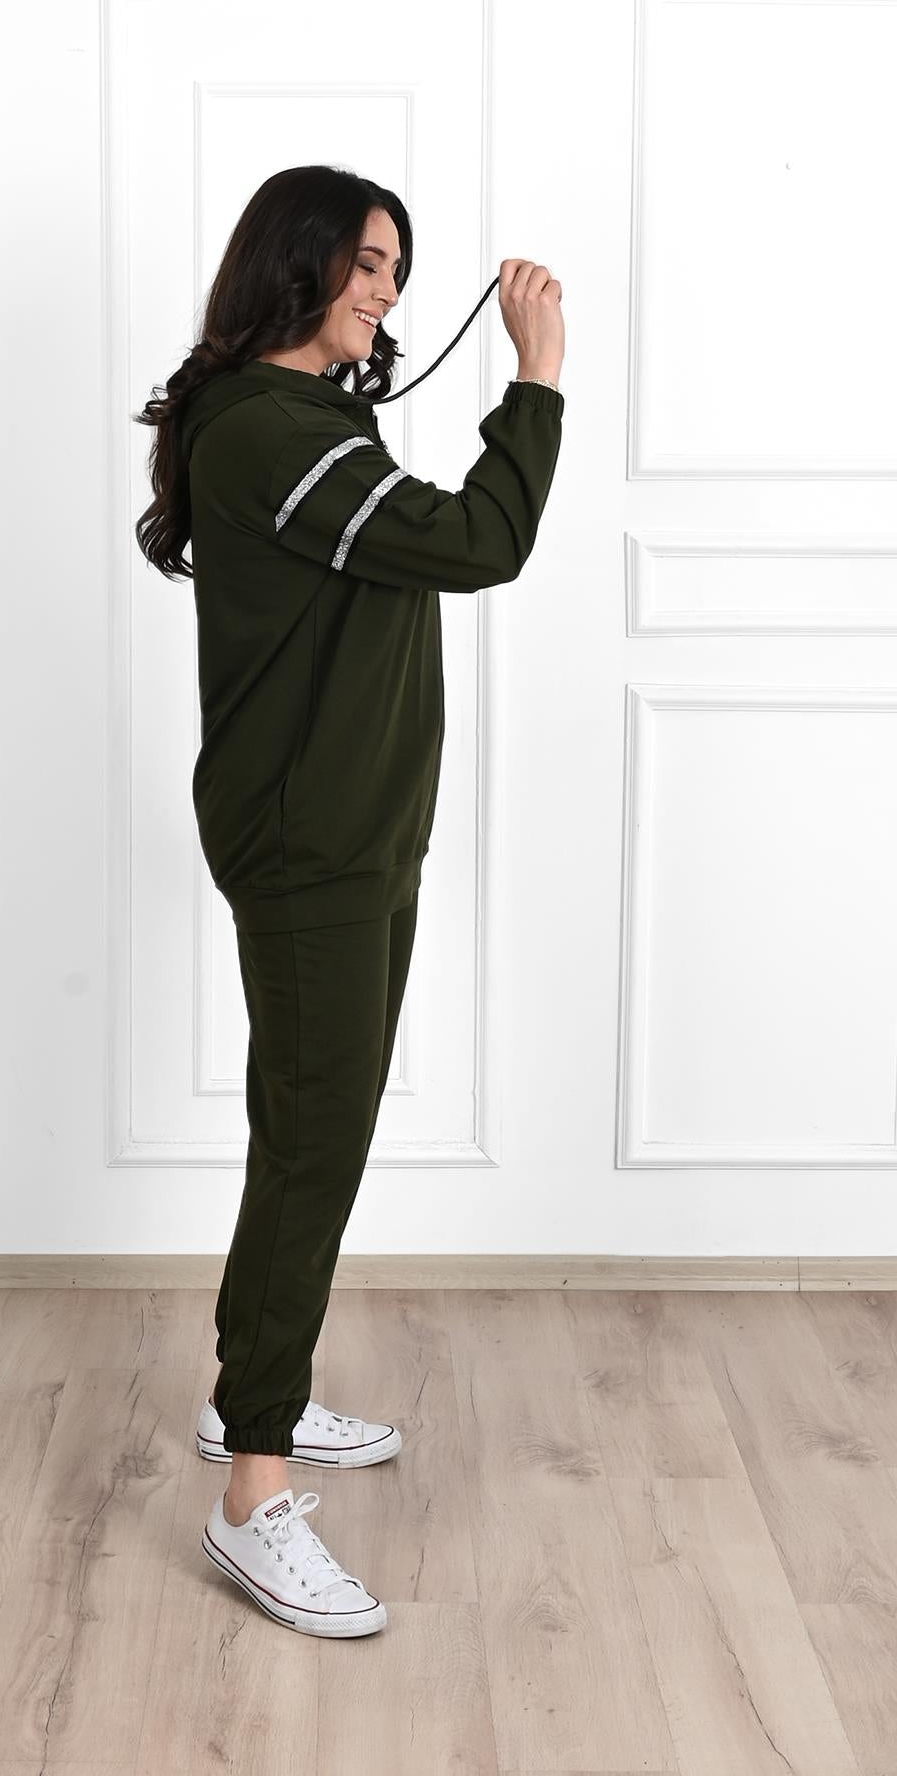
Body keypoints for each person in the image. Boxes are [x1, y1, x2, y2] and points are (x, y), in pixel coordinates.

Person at [133, 164, 565, 1637]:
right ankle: (251, 1491)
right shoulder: (270, 429)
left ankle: (255, 1390)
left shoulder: (311, 418)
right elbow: (482, 543)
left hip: (358, 832)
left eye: (394, 269)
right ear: (297, 265)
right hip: (309, 843)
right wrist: (536, 381)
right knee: (316, 1136)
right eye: (365, 265)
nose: (384, 292)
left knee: (313, 1126)